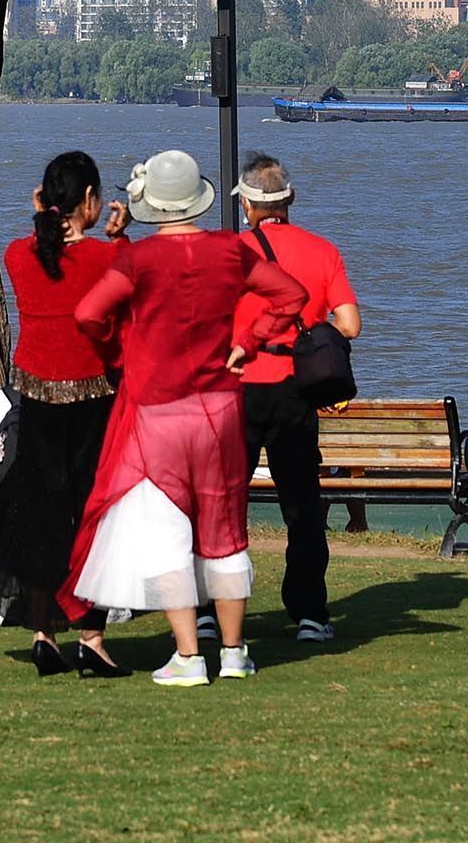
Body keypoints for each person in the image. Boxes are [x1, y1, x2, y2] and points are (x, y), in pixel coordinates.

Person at [67, 151, 304, 688]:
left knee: (169, 534)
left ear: (153, 205)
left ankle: (189, 656)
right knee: (225, 528)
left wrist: (120, 349)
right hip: (220, 405)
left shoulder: (139, 260)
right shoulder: (230, 251)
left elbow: (87, 314)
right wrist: (247, 342)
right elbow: (291, 296)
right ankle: (236, 652)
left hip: (158, 409)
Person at [0, 152, 135, 677]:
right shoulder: (106, 260)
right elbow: (126, 282)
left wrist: (45, 214)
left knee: (38, 518)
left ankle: (43, 633)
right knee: (93, 519)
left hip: (33, 403)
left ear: (45, 201)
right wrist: (120, 236)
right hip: (93, 405)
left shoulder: (18, 256)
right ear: (91, 202)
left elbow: (39, 247)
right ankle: (92, 638)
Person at [232, 154, 361, 644]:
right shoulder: (323, 251)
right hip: (295, 390)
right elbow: (349, 324)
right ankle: (309, 612)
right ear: (290, 200)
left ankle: (209, 610)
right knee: (302, 507)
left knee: (223, 504)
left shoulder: (234, 253)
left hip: (240, 386)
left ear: (247, 206)